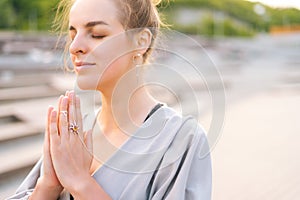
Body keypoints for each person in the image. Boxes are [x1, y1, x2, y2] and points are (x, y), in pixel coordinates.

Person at [7, 0, 212, 199]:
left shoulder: (180, 139)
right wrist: (47, 187)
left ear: (141, 41)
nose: (75, 46)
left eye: (97, 35)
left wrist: (82, 184)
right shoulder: (74, 131)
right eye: (73, 34)